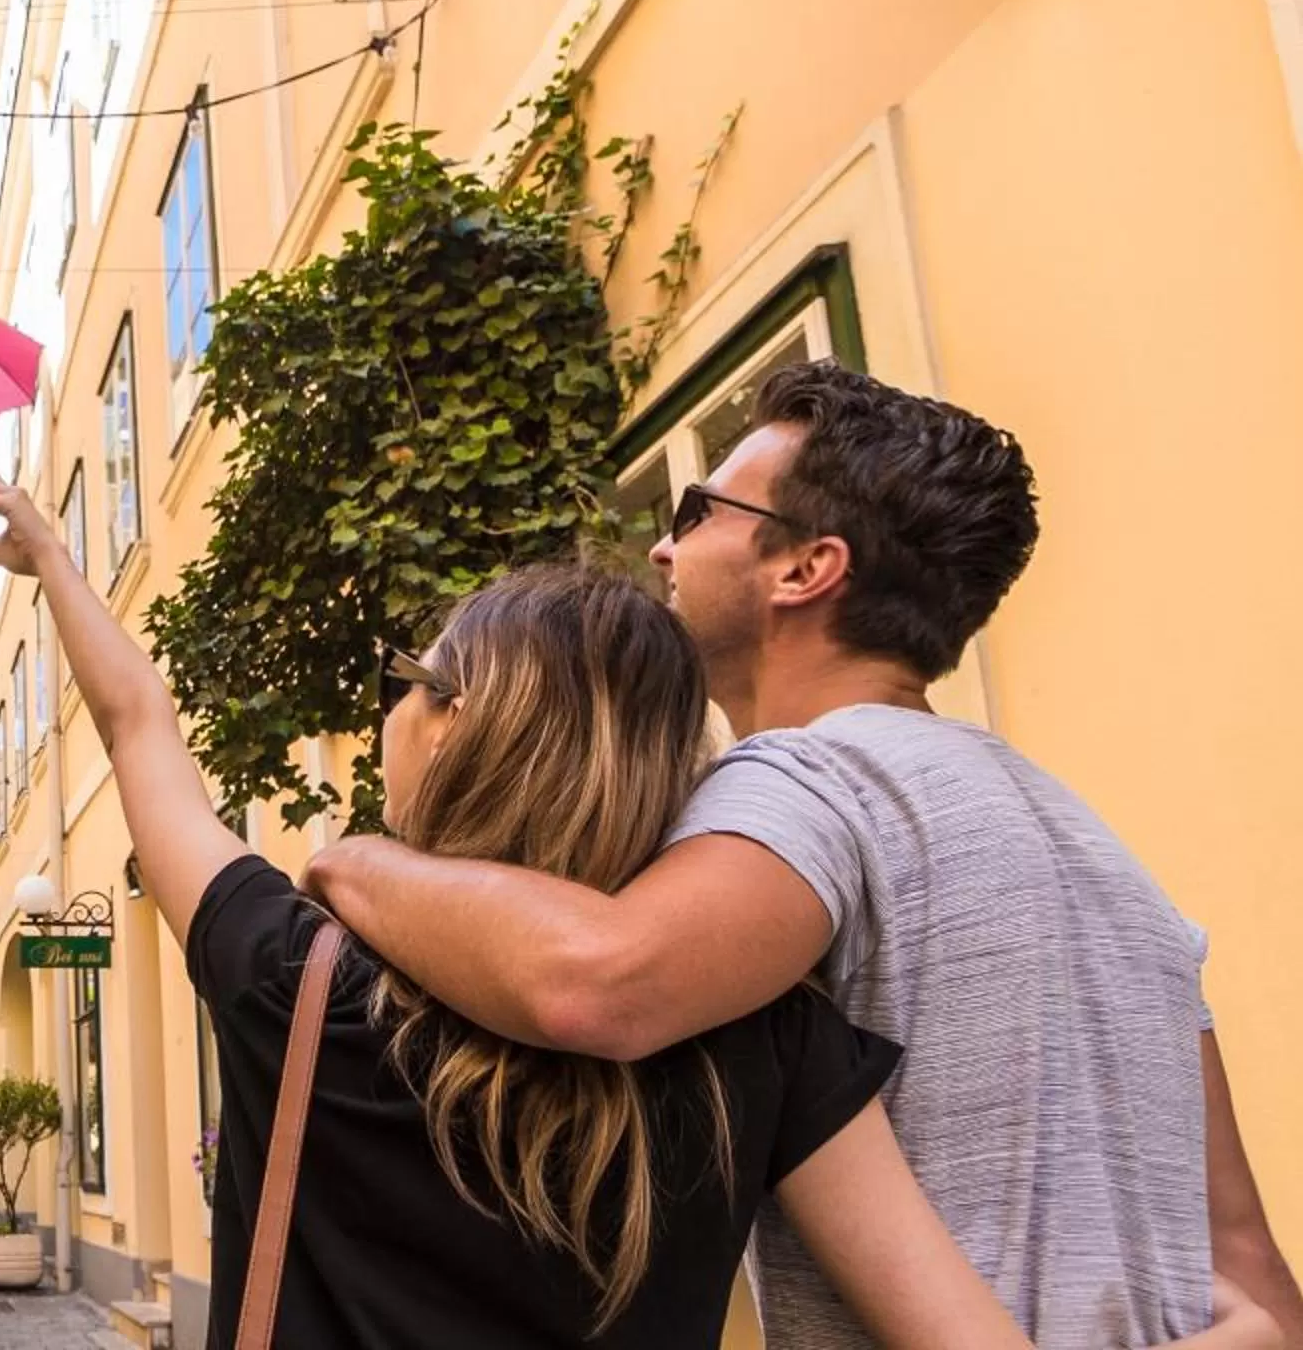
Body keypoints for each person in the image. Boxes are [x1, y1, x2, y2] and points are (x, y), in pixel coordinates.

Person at [0, 455, 1278, 1349]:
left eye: (413, 679)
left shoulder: (287, 974)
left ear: (457, 726)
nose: (393, 708)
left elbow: (141, 735)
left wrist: (60, 561)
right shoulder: (769, 1033)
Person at [302, 364, 1303, 1347]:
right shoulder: (1103, 851)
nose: (661, 544)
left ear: (803, 568)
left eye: (699, 509)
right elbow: (1251, 1262)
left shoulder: (808, 782)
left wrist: (351, 863)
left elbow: (595, 979)